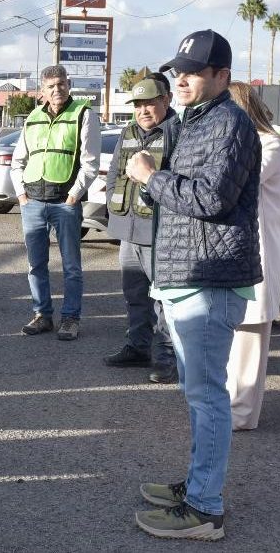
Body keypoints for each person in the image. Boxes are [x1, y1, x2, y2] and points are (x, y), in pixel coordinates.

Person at [127, 29, 262, 540]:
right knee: (197, 394)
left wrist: (150, 178)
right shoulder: (195, 120)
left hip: (210, 278)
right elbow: (186, 196)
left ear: (221, 76)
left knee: (207, 398)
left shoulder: (229, 124)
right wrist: (152, 184)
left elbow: (210, 199)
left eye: (193, 71)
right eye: (178, 70)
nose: (180, 79)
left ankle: (205, 509)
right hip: (186, 275)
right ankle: (197, 485)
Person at [9, 64, 100, 341]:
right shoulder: (33, 116)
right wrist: (22, 196)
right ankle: (42, 315)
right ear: (43, 90)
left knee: (71, 266)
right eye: (51, 86)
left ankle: (70, 318)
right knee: (35, 265)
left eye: (61, 84)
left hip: (65, 203)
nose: (57, 89)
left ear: (68, 84)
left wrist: (73, 196)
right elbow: (18, 161)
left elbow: (90, 163)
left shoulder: (84, 114)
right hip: (33, 202)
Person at [103, 74, 180, 384]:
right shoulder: (128, 132)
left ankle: (165, 360)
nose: (143, 110)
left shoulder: (178, 132)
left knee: (163, 299)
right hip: (129, 229)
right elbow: (114, 173)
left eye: (150, 103)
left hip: (159, 231)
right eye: (138, 104)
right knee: (134, 294)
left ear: (166, 100)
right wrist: (112, 203)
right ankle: (138, 348)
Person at [225, 82, 280, 431]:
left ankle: (242, 415)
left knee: (250, 337)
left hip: (260, 250)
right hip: (235, 251)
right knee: (230, 336)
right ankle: (226, 407)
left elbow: (237, 181)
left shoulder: (270, 144)